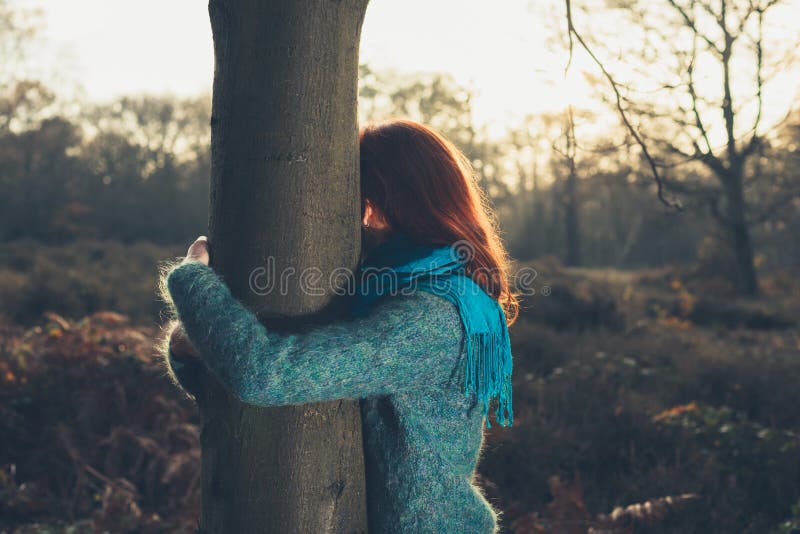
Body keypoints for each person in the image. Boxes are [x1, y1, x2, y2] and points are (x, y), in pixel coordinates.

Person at [159, 118, 518, 533]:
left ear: (388, 201)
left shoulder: (431, 319)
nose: (356, 217)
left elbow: (265, 373)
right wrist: (193, 347)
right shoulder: (396, 287)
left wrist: (191, 279)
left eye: (360, 198)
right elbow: (305, 376)